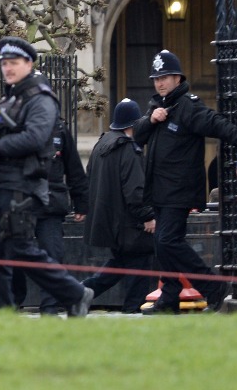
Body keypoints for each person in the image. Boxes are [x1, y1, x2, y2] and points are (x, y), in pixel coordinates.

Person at [0, 37, 94, 316]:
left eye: (14, 63)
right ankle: (5, 315)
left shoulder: (41, 99)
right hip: (1, 187)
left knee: (21, 250)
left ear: (29, 64)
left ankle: (74, 294)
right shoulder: (7, 101)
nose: (7, 68)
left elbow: (35, 137)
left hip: (23, 187)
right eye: (4, 63)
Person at [132, 49, 237, 314]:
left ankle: (213, 286)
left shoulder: (187, 106)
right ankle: (169, 297)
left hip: (179, 189)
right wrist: (151, 119)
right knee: (162, 245)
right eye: (156, 79)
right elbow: (137, 135)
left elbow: (215, 123)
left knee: (168, 241)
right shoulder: (156, 106)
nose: (160, 83)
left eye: (164, 77)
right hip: (159, 189)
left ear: (178, 78)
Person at [81, 99, 157, 314]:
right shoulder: (128, 149)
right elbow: (135, 190)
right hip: (129, 222)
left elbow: (89, 179)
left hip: (107, 220)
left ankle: (79, 292)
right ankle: (133, 309)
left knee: (119, 263)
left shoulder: (101, 144)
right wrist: (147, 216)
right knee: (140, 262)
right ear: (134, 124)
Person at [10, 116, 88, 314]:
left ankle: (50, 307)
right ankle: (12, 302)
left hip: (50, 204)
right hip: (22, 202)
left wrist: (81, 203)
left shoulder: (59, 129)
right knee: (16, 254)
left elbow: (74, 167)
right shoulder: (15, 124)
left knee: (52, 255)